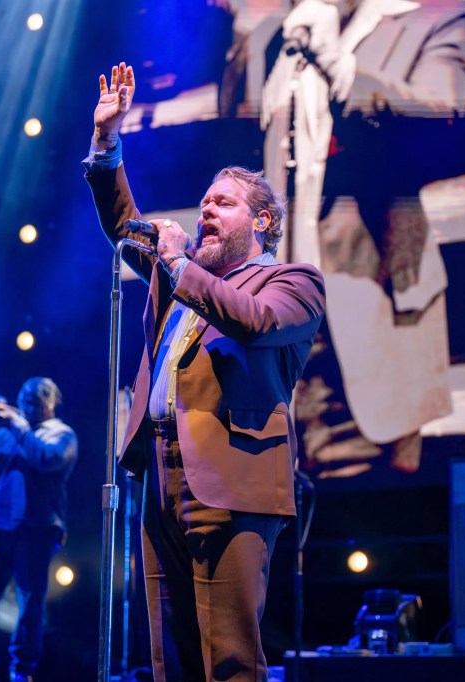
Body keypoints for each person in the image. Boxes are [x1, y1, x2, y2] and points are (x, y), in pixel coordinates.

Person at [84, 62, 327, 682]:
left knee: (231, 659)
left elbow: (254, 323)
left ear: (263, 222)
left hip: (232, 478)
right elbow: (121, 225)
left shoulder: (291, 282)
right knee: (172, 658)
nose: (206, 212)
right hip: (160, 473)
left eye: (223, 204)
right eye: (203, 204)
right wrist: (108, 143)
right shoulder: (181, 279)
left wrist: (179, 267)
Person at [262, 0, 465, 473]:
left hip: (373, 295)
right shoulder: (291, 33)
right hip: (288, 309)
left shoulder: (436, 16)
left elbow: (443, 111)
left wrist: (342, 67)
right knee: (289, 510)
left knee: (373, 503)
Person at [0, 377, 77, 682]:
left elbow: (45, 459)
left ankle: (21, 670)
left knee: (30, 604)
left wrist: (19, 427)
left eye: (34, 404)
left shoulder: (62, 435)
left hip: (35, 530)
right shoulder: (11, 431)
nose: (26, 408)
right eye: (24, 402)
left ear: (50, 403)